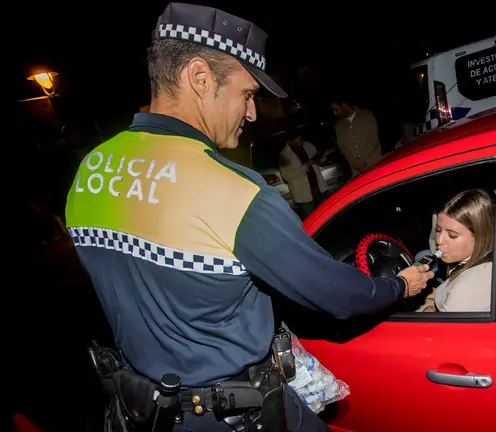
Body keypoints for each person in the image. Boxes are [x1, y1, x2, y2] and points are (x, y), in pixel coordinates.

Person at [64, 3, 433, 431]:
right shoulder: (230, 189)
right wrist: (399, 284)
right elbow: (340, 296)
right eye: (247, 94)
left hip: (147, 413)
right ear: (199, 78)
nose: (252, 113)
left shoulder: (92, 169)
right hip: (235, 416)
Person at [419, 189, 495, 312]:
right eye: (438, 230)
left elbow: (443, 329)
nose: (439, 240)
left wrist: (429, 312)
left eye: (452, 235)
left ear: (480, 236)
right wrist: (437, 293)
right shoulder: (477, 260)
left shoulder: (467, 287)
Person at [278, 129, 330, 219]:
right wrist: (306, 166)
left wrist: (321, 158)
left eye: (301, 140)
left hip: (318, 187)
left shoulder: (308, 145)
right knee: (312, 220)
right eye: (297, 142)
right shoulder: (284, 155)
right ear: (289, 142)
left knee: (325, 216)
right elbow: (286, 176)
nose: (301, 143)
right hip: (303, 194)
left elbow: (319, 160)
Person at [329, 96, 382, 176]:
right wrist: (353, 162)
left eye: (336, 109)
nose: (335, 113)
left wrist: (362, 159)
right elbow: (342, 148)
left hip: (375, 165)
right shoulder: (339, 126)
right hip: (357, 172)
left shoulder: (366, 115)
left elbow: (373, 138)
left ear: (343, 105)